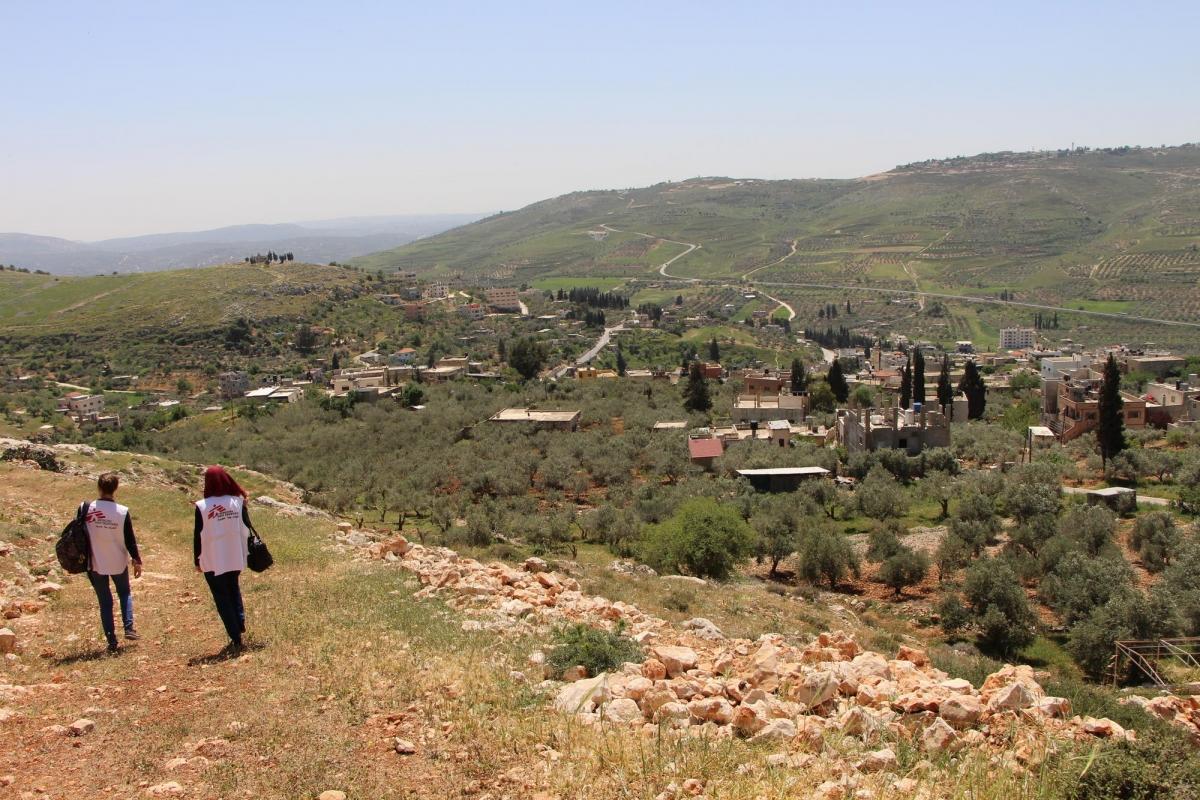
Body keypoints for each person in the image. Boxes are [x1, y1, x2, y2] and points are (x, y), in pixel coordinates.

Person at [194, 466, 254, 652]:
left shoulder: (202, 506)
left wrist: (197, 560)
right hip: (234, 553)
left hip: (213, 557)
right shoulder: (237, 502)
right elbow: (246, 526)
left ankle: (235, 636)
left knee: (221, 596)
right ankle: (240, 621)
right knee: (233, 588)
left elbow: (198, 535)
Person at [84, 472, 143, 653]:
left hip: (95, 561)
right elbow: (130, 539)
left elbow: (79, 533)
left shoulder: (86, 508)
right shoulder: (122, 511)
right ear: (116, 488)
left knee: (105, 601)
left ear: (99, 487)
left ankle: (111, 640)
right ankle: (129, 627)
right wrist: (137, 560)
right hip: (117, 559)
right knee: (124, 593)